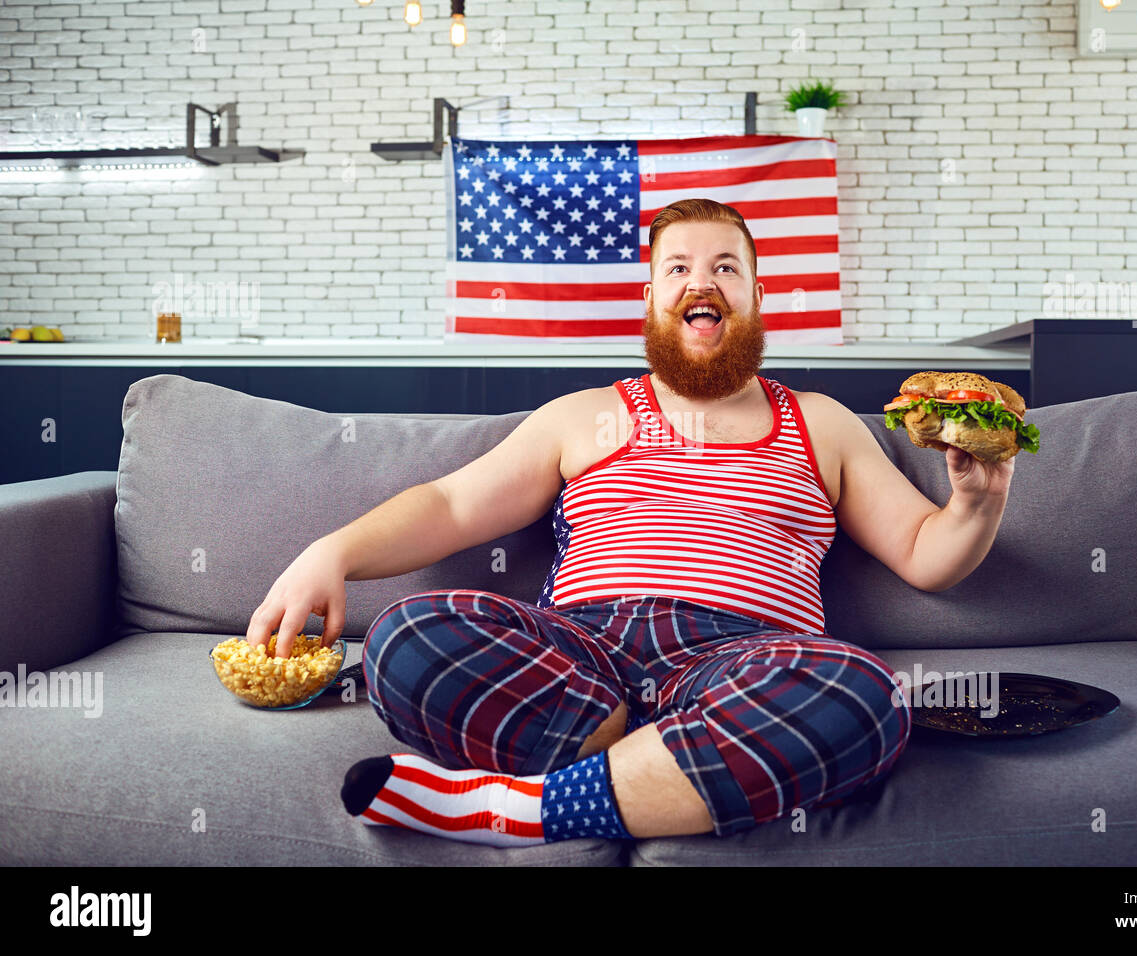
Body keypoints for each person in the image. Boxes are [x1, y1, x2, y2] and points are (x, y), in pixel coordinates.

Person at [244, 198, 1016, 847]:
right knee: (404, 637)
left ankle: (509, 807)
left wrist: (977, 502)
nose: (699, 282)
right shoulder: (585, 416)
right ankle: (652, 772)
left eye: (724, 267)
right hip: (578, 655)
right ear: (651, 298)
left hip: (743, 661)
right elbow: (450, 506)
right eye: (676, 268)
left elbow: (925, 553)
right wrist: (332, 551)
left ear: (753, 296)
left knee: (866, 696)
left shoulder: (825, 423)